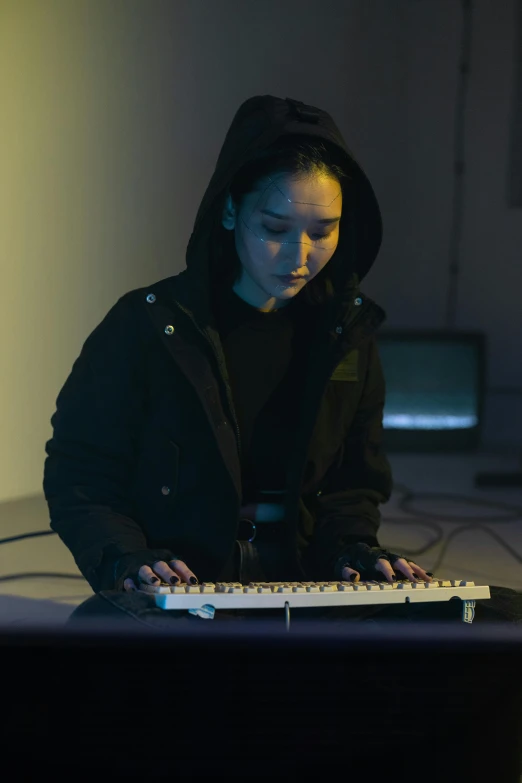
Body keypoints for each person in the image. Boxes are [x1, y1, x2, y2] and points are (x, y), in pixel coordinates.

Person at [43, 95, 521, 627]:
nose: (300, 258)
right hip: (188, 588)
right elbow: (81, 472)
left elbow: (353, 485)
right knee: (106, 654)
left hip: (306, 579)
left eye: (323, 232)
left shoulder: (346, 335)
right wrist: (127, 560)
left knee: (497, 620)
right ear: (229, 211)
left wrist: (355, 552)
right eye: (274, 229)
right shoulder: (148, 325)